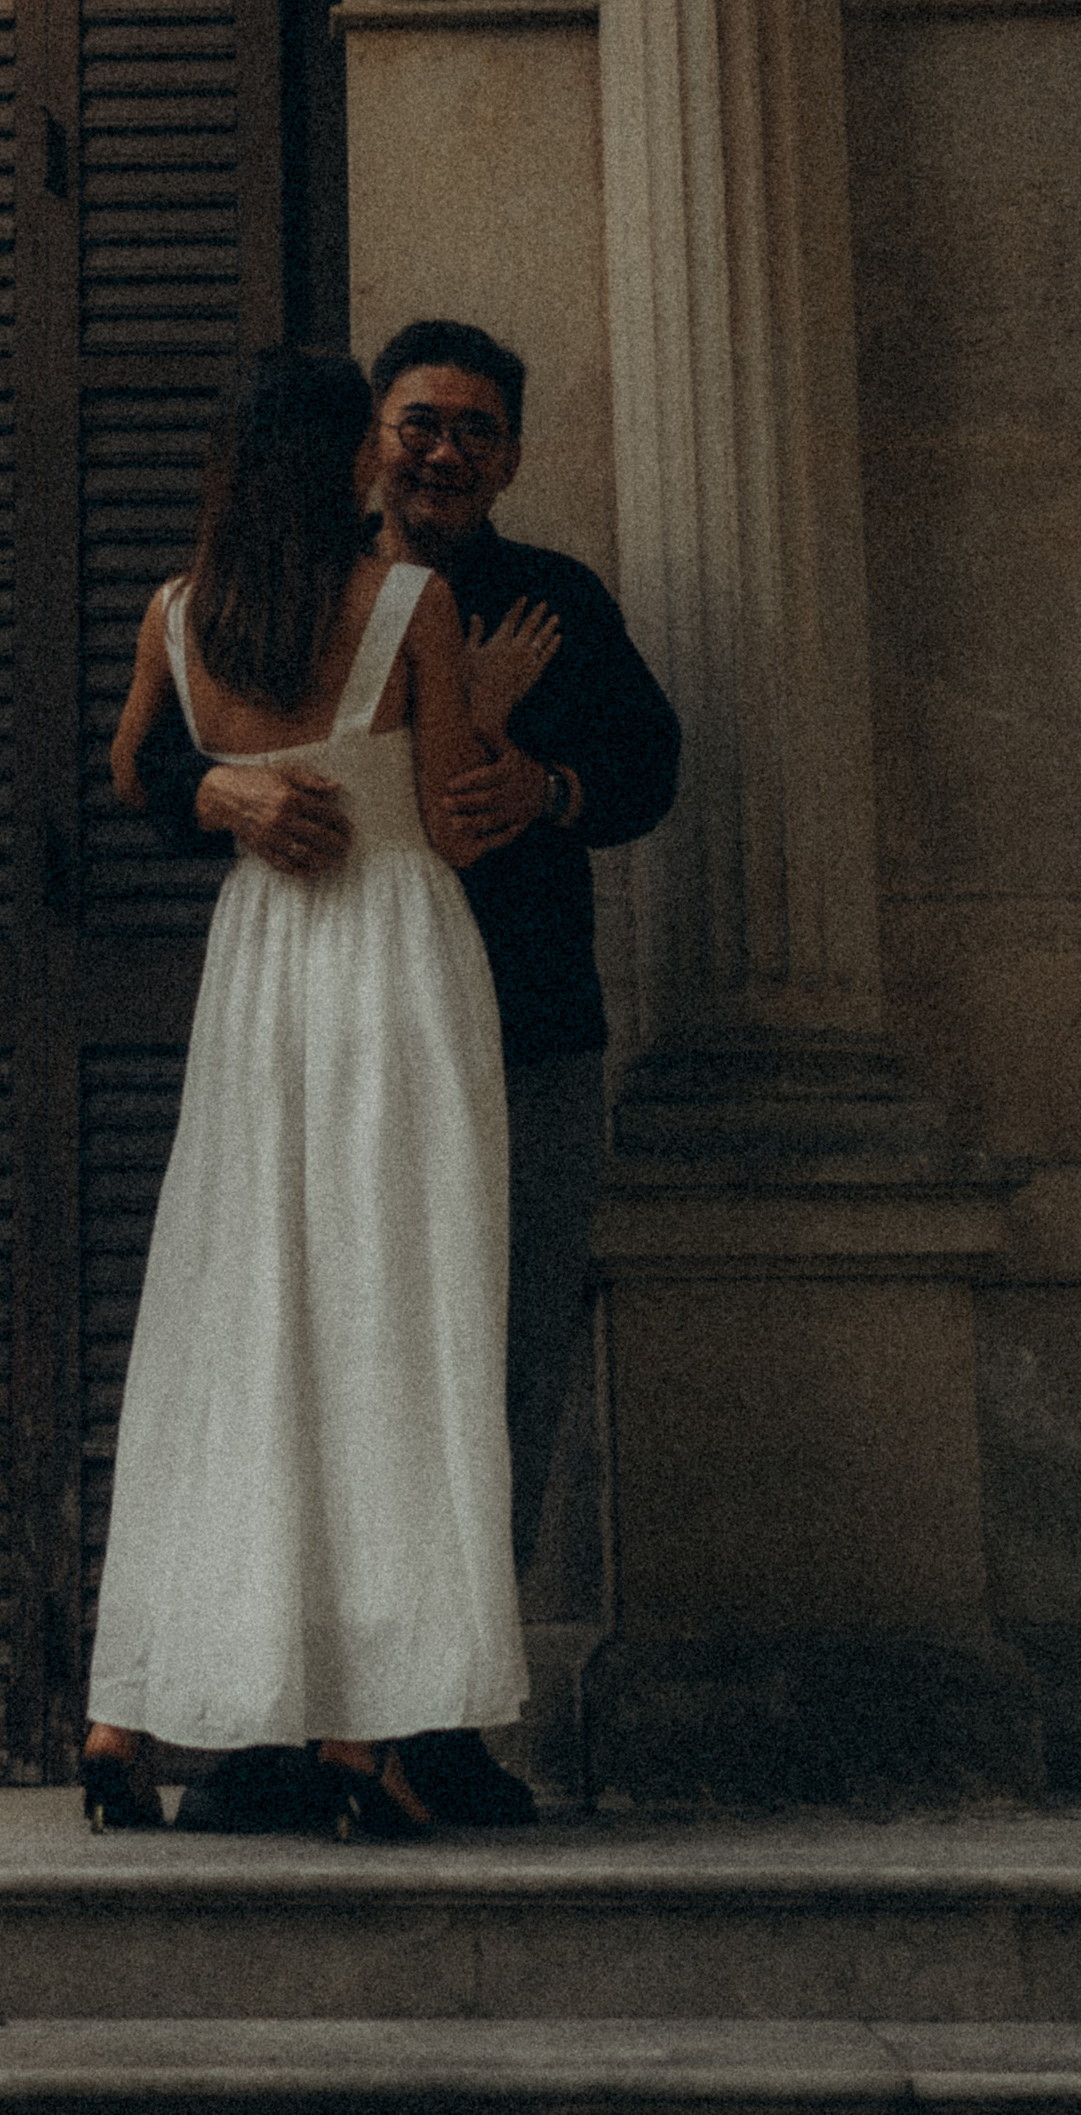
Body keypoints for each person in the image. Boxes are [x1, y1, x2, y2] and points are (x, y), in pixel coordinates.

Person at [133, 316, 680, 1829]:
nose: (444, 451)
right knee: (294, 1359)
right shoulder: (268, 593)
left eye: (477, 430)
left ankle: (433, 1723)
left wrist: (548, 785)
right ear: (369, 438)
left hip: (524, 1028)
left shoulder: (555, 600)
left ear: (513, 457)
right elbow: (149, 759)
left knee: (489, 1371)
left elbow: (650, 763)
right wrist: (221, 792)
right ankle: (271, 1721)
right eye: (419, 421)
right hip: (319, 1038)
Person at [79, 349, 554, 1839]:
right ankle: (365, 1733)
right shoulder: (412, 604)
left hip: (262, 972)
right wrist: (484, 703)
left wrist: (228, 784)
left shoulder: (177, 611)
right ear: (346, 456)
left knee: (239, 1316)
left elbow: (130, 768)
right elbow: (458, 824)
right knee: (395, 1321)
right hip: (393, 970)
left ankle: (123, 1717)